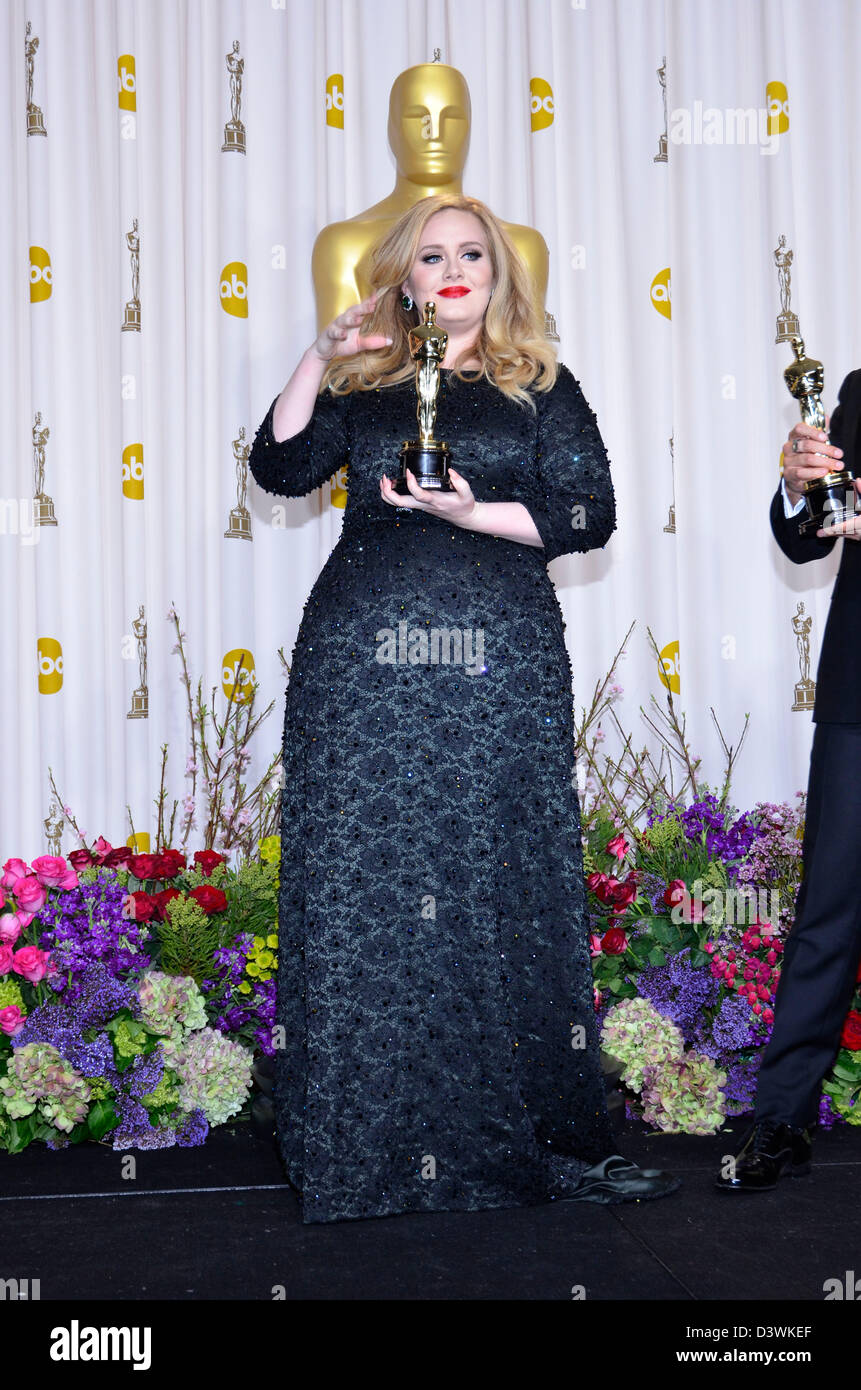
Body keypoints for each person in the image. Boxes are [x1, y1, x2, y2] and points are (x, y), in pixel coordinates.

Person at [249, 193, 679, 1223]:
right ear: (404, 275)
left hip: (500, 667)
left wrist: (468, 510)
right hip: (364, 665)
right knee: (371, 884)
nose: (452, 269)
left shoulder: (542, 386)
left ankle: (535, 1141)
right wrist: (321, 352)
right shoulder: (367, 385)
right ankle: (364, 1147)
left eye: (471, 253)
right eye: (431, 255)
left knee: (498, 873)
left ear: (499, 272)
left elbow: (588, 513)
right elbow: (278, 466)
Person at [717, 369, 861, 1192]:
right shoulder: (856, 387)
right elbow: (808, 537)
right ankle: (779, 1122)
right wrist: (797, 481)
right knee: (827, 914)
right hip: (856, 687)